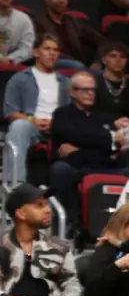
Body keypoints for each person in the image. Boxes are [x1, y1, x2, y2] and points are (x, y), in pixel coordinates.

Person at [48, 71, 129, 231]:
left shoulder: (104, 117)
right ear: (72, 92)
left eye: (93, 89)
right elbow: (73, 134)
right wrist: (108, 138)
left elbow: (88, 139)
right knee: (60, 170)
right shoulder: (62, 114)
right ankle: (69, 224)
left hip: (105, 166)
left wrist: (82, 147)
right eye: (85, 90)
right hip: (76, 166)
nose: (90, 93)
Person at [4, 35, 69, 184]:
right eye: (47, 49)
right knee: (19, 126)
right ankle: (15, 184)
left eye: (55, 50)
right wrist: (32, 120)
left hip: (58, 128)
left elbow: (72, 113)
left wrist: (57, 123)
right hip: (31, 126)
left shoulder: (66, 82)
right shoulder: (20, 78)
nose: (52, 53)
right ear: (36, 52)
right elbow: (10, 112)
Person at [36, 0, 102, 69]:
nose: (61, 0)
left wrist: (97, 61)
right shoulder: (39, 23)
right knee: (78, 66)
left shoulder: (74, 22)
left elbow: (99, 40)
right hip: (55, 61)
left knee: (102, 73)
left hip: (79, 64)